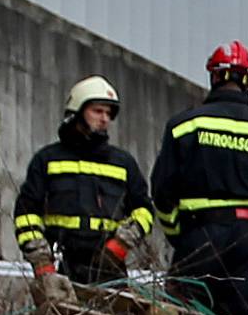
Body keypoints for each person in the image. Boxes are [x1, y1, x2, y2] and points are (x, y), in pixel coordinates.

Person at [150, 42, 248, 315]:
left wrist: (177, 234)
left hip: (197, 235)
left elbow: (162, 190)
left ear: (214, 77)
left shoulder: (184, 125)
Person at [13, 77, 154, 296]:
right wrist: (42, 264)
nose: (105, 119)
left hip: (110, 269)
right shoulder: (47, 160)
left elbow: (144, 210)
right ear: (77, 112)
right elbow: (26, 214)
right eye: (98, 111)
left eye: (109, 114)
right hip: (62, 268)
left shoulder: (123, 163)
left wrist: (120, 245)